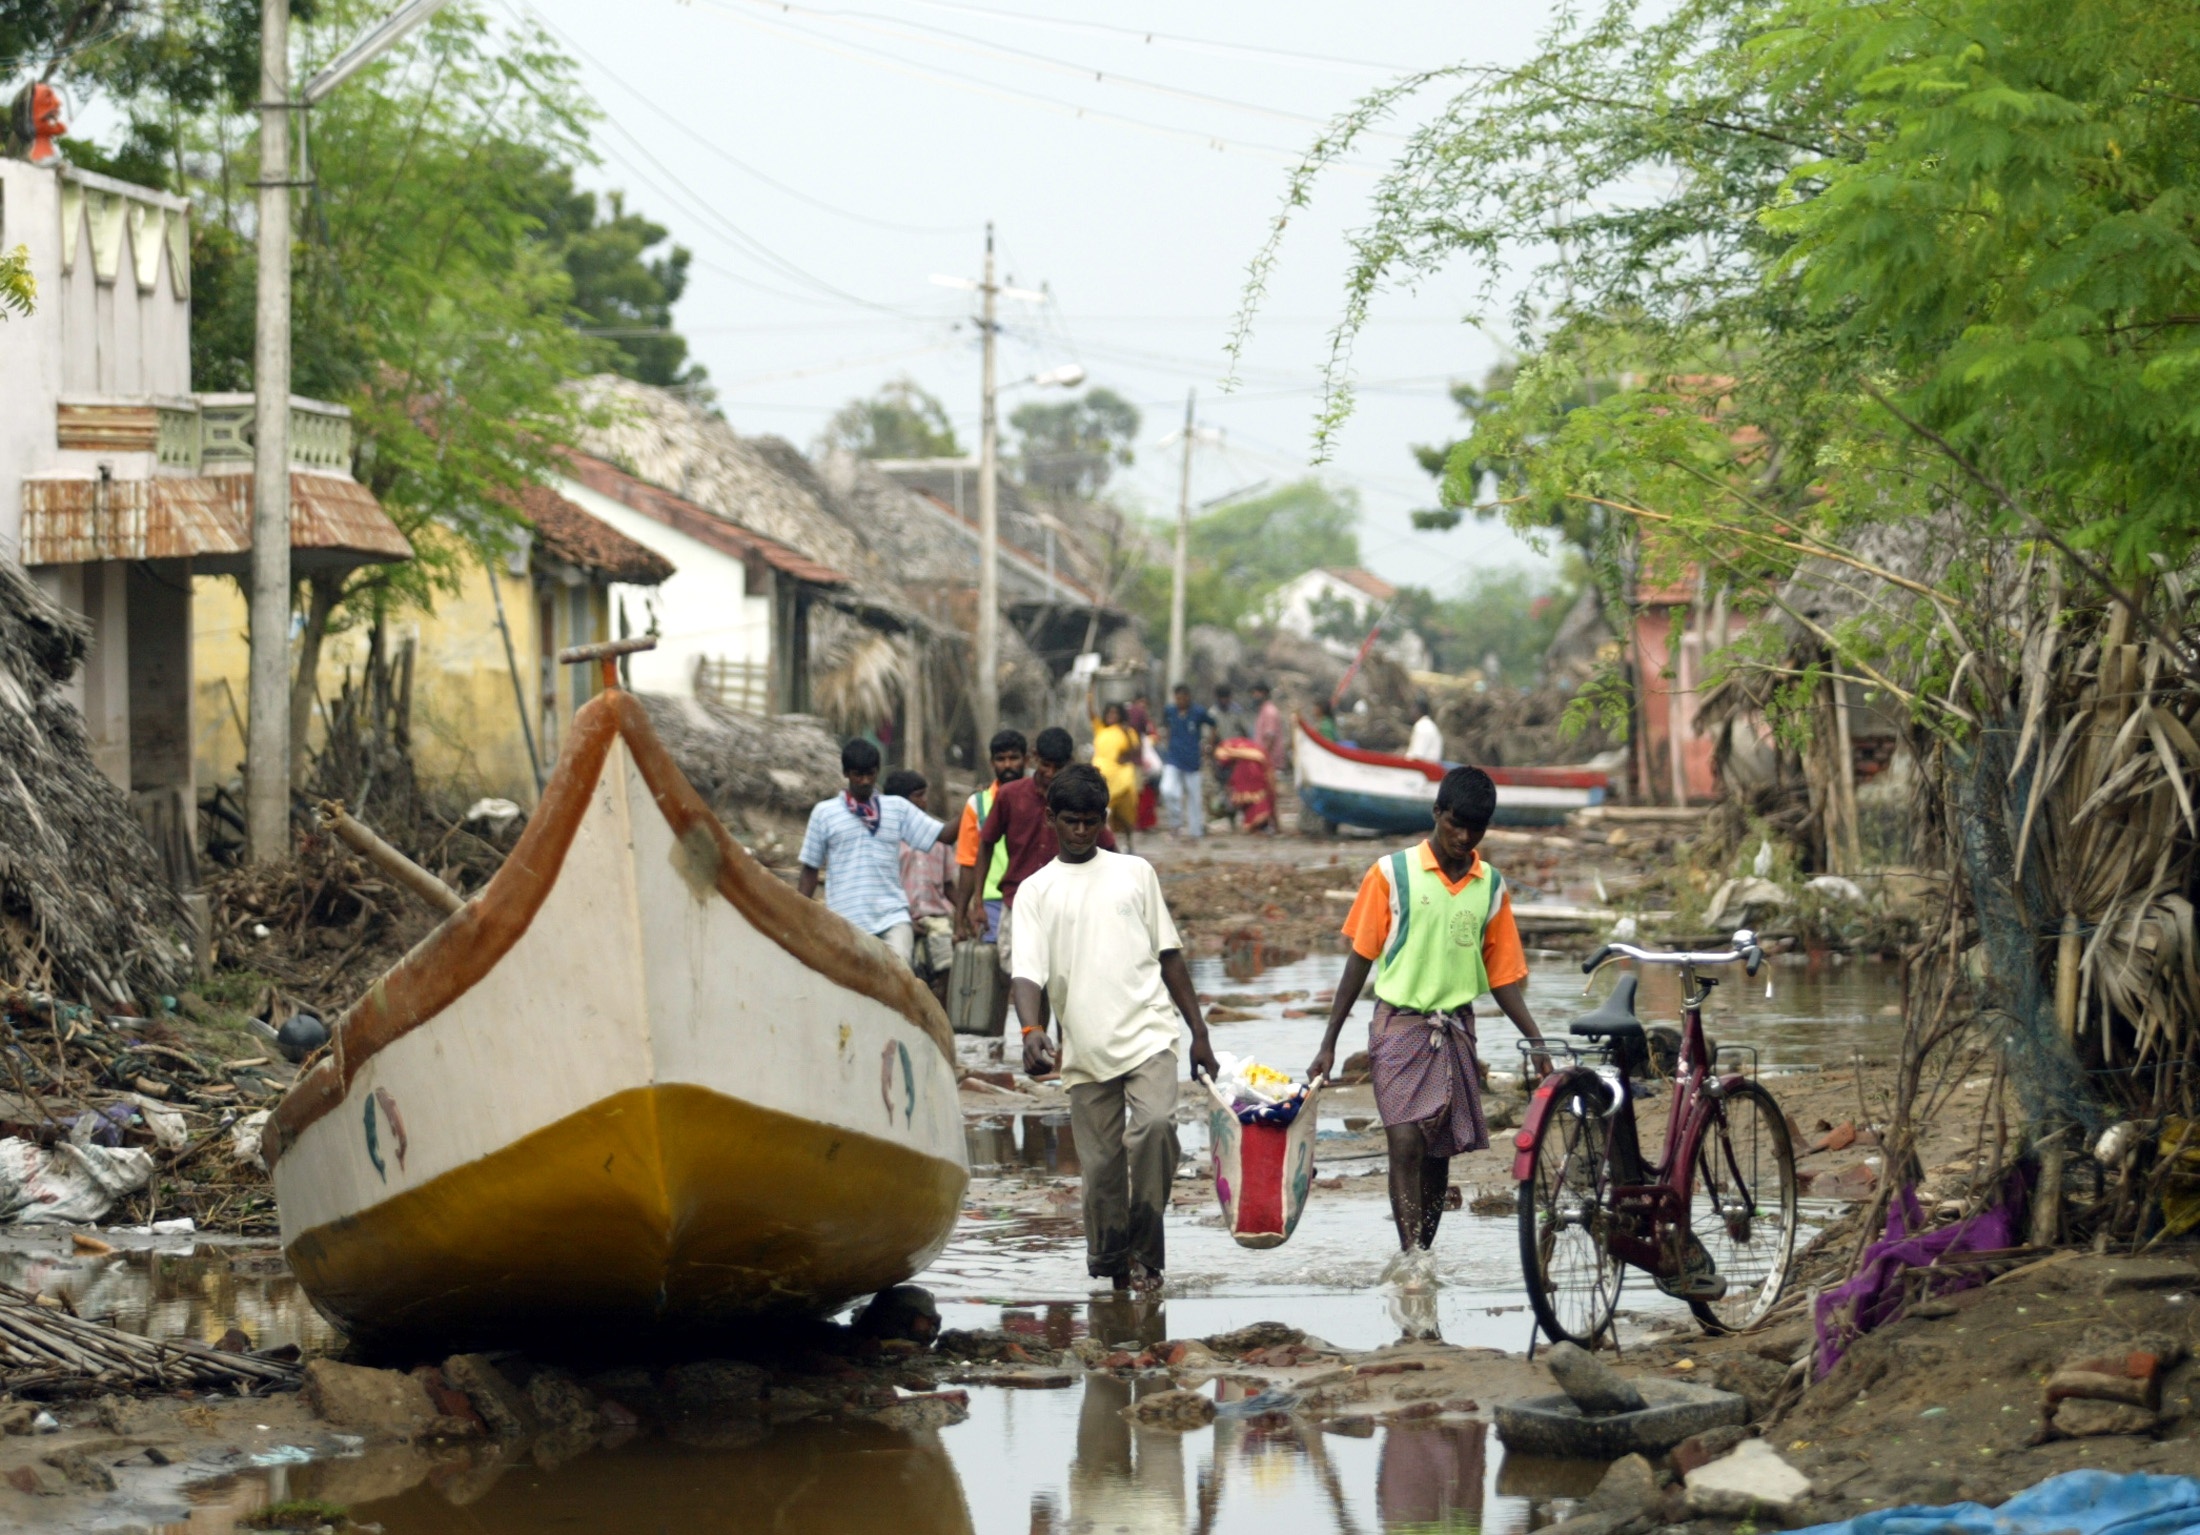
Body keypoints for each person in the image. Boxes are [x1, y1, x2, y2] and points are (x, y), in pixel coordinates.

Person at [1306, 766, 1551, 1279]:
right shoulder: (1391, 874)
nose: (1463, 839)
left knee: (1438, 1151)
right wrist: (1329, 1042)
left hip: (1455, 1029)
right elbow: (1360, 959)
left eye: (1475, 830)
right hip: (1398, 1026)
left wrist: (1535, 1038)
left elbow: (1502, 976)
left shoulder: (1491, 888)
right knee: (1406, 1142)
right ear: (1437, 813)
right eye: (1455, 825)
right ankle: (1411, 1255)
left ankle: (1423, 1251)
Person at [1011, 764, 1218, 1292]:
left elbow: (1169, 956)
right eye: (1071, 822)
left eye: (1090, 822)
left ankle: (1148, 1257)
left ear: (1102, 819)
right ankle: (1111, 1266)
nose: (1080, 832)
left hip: (1149, 1033)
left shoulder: (1134, 873)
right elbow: (1027, 974)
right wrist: (1032, 1029)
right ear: (1052, 818)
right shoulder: (1035, 892)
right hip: (1085, 1049)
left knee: (1154, 1128)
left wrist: (1199, 1031)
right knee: (1101, 1170)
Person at [968, 727, 1117, 989]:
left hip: (1067, 904)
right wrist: (977, 899)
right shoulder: (1010, 796)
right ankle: (1034, 1030)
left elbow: (1108, 848)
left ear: (1068, 763)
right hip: (1018, 900)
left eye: (1057, 767)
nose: (1050, 773)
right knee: (1025, 977)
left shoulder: (1075, 799)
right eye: (1046, 765)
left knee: (1065, 982)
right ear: (1035, 758)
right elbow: (986, 844)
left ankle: (1059, 1032)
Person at [797, 739, 946, 966]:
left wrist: (977, 807)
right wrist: (799, 917)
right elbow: (810, 870)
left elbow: (943, 835)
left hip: (892, 917)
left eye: (870, 774)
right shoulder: (824, 813)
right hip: (844, 919)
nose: (865, 781)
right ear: (846, 773)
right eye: (858, 774)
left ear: (878, 772)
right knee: (850, 984)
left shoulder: (896, 808)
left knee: (900, 976)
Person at [885, 769, 957, 1001]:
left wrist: (965, 916)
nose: (924, 801)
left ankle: (940, 1029)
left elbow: (948, 886)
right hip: (900, 919)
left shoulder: (939, 835)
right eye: (918, 796)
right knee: (907, 979)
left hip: (936, 919)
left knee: (946, 971)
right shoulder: (886, 838)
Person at [953, 729, 1026, 943]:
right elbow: (967, 863)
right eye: (1001, 759)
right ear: (992, 762)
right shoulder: (978, 804)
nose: (1008, 765)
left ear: (1026, 759)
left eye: (1014, 758)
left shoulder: (1039, 800)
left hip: (1031, 896)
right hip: (991, 901)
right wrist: (960, 918)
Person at [1087, 693, 1142, 852]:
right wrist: (1090, 694)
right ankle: (1107, 844)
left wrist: (1126, 752)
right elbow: (1091, 713)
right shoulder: (1101, 728)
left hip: (1119, 774)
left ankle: (1128, 841)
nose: (1112, 716)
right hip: (1101, 774)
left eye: (1115, 713)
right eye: (1109, 713)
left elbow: (1136, 749)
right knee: (1103, 810)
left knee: (1125, 810)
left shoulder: (1127, 730)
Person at [1157, 683, 1213, 839]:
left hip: (1192, 760)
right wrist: (1166, 742)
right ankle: (1176, 822)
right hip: (1173, 757)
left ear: (1188, 697)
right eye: (1177, 698)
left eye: (1182, 698)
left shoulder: (1198, 712)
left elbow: (1213, 724)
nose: (1180, 701)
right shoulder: (1170, 711)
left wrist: (1208, 746)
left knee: (1195, 797)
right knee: (1167, 789)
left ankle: (1196, 831)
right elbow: (1165, 728)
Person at [1251, 681, 1287, 833]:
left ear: (1263, 693)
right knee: (1266, 793)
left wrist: (1263, 757)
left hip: (1269, 760)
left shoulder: (1269, 712)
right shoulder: (1263, 711)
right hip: (1264, 759)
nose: (1253, 697)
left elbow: (1270, 737)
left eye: (1256, 693)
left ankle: (1274, 825)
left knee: (1269, 793)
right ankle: (1268, 824)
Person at [1406, 696, 1444, 762]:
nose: (1410, 711)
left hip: (1424, 769)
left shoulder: (1423, 727)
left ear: (1419, 710)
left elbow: (1417, 756)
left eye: (1413, 708)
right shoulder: (1428, 725)